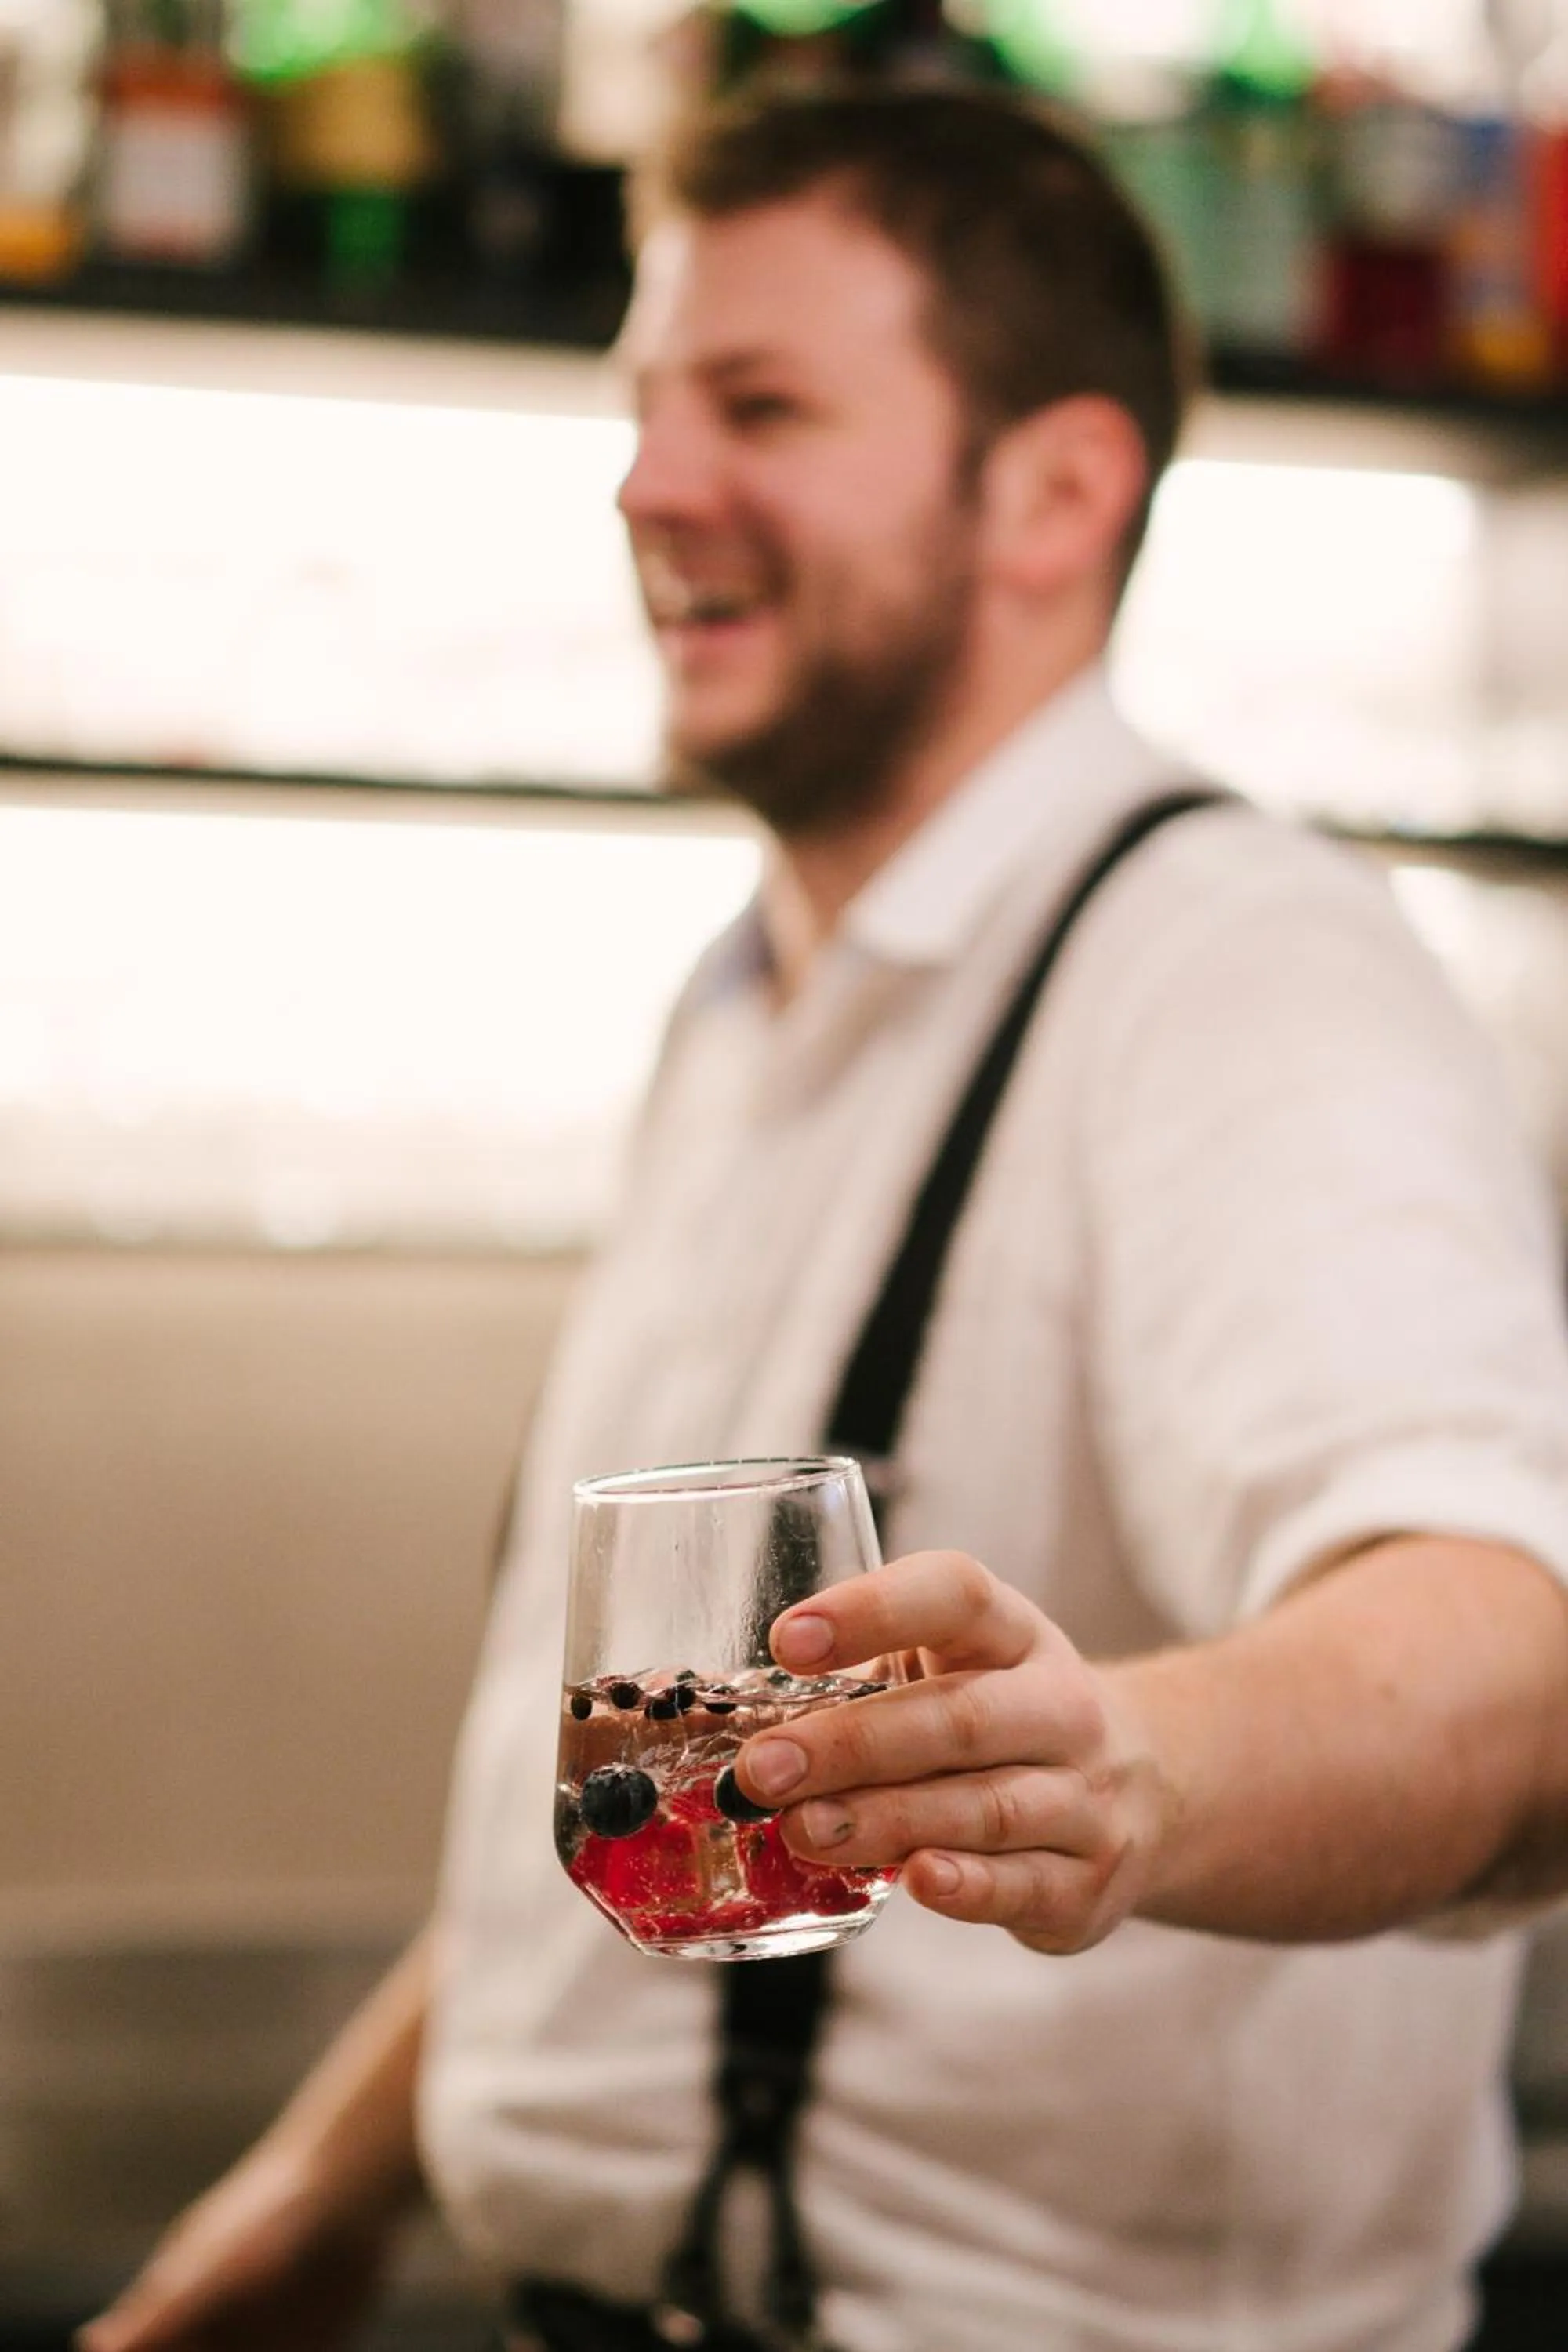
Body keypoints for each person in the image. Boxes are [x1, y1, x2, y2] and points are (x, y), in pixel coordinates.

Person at [81, 82, 1568, 2352]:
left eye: (758, 406)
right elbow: (658, 1773)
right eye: (645, 407)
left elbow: (1510, 1664)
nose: (648, 484)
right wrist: (312, 2200)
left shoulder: (1241, 975)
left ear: (1055, 492)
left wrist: (1132, 1770)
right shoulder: (754, 1001)